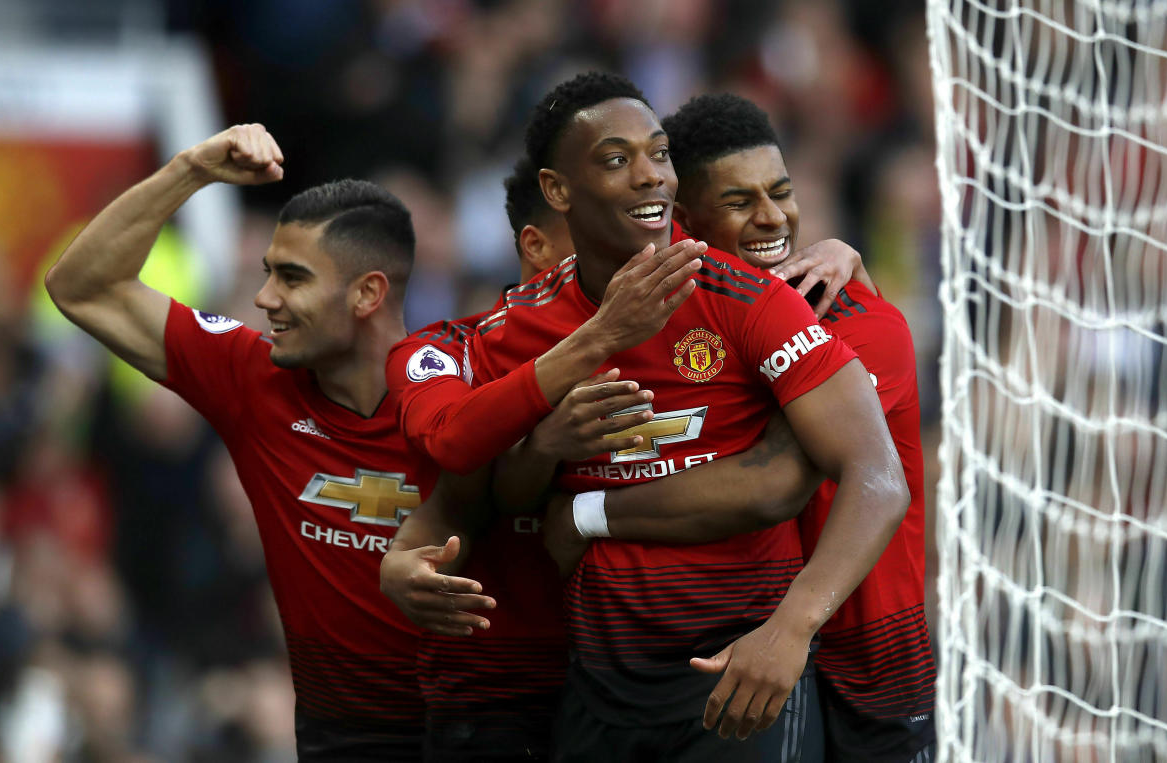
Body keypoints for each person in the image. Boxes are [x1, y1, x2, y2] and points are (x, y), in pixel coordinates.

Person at [452, 72, 908, 761]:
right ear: (557, 192)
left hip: (754, 674)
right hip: (596, 690)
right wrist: (543, 446)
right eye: (616, 159)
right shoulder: (519, 325)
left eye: (658, 155)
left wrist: (790, 627)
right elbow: (495, 497)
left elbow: (850, 476)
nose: (648, 177)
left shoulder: (761, 303)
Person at [45, 124, 438, 761]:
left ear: (368, 293)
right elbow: (80, 286)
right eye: (266, 274)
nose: (264, 299)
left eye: (292, 278)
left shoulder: (472, 399)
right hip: (331, 739)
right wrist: (189, 170)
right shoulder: (252, 376)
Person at [381, 156, 706, 761]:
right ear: (537, 245)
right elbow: (453, 456)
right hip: (496, 698)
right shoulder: (446, 350)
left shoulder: (698, 348)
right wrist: (398, 560)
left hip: (641, 691)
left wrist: (841, 258)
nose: (638, 247)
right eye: (600, 229)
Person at [662, 93, 935, 762]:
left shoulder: (862, 322)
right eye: (739, 201)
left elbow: (778, 479)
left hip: (874, 658)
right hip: (750, 654)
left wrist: (590, 513)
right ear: (683, 220)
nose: (772, 216)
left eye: (781, 192)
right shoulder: (676, 330)